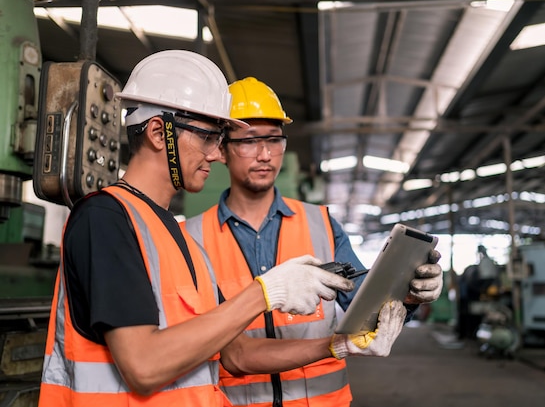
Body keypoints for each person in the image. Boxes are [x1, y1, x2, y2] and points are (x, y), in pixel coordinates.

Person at [37, 51, 409, 407]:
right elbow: (144, 366)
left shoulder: (180, 238)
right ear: (157, 132)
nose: (216, 154)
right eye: (207, 138)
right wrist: (265, 293)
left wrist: (339, 345)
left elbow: (237, 354)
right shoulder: (105, 218)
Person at [182, 76, 444, 407]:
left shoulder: (321, 223)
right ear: (221, 148)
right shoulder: (192, 237)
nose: (265, 154)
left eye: (274, 140)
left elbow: (365, 311)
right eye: (250, 140)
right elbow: (214, 351)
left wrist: (409, 294)